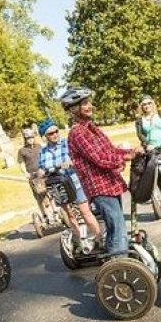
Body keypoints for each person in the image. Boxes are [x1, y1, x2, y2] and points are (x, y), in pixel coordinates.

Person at [61, 88, 142, 259]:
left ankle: (121, 264)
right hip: (99, 187)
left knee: (117, 227)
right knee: (117, 227)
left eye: (88, 102)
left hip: (109, 183)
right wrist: (123, 159)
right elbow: (99, 158)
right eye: (84, 103)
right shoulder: (77, 133)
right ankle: (120, 269)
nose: (89, 106)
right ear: (75, 109)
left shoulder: (92, 129)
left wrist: (131, 151)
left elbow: (110, 150)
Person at [36, 117, 102, 252]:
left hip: (73, 182)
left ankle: (99, 238)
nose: (54, 135)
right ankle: (80, 241)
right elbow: (40, 168)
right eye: (50, 133)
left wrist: (70, 162)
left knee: (85, 212)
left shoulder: (67, 143)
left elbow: (77, 159)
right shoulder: (43, 151)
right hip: (57, 186)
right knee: (69, 214)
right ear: (45, 136)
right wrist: (40, 172)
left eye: (56, 131)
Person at [17, 127, 47, 215]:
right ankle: (44, 215)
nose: (31, 139)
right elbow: (21, 163)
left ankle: (55, 212)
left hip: (43, 174)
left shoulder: (39, 146)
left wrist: (45, 167)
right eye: (28, 138)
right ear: (25, 139)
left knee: (48, 194)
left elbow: (44, 157)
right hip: (32, 176)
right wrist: (25, 173)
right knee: (39, 196)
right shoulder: (22, 151)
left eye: (32, 137)